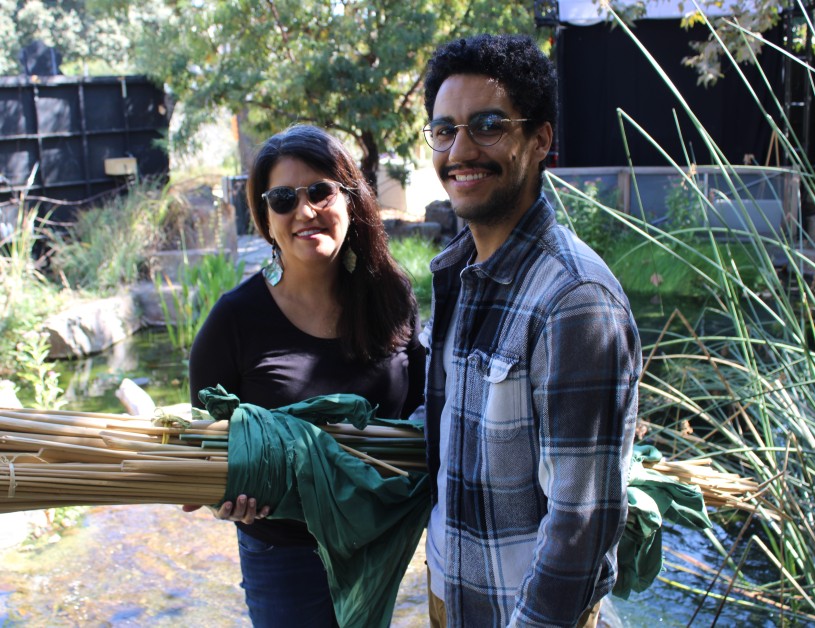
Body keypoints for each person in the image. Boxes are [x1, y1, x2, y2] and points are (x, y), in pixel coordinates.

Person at [419, 34, 641, 627]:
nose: (460, 150)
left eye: (487, 125)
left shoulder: (573, 302)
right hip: (451, 594)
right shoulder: (459, 273)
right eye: (444, 130)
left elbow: (582, 523)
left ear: (540, 139)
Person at [185, 124, 426, 627]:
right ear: (265, 216)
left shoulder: (392, 299)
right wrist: (223, 499)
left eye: (320, 191)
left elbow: (424, 412)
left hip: (380, 540)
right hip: (284, 555)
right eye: (282, 198)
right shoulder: (234, 321)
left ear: (351, 201)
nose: (305, 210)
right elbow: (201, 454)